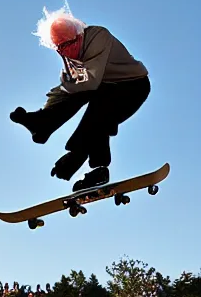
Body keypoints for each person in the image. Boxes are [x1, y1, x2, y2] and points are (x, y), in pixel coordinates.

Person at [10, 14, 150, 191]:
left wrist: (76, 155)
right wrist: (49, 109)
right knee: (80, 92)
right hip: (106, 88)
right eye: (59, 49)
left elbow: (90, 83)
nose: (65, 52)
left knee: (98, 109)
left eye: (68, 46)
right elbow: (70, 89)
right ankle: (42, 124)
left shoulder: (98, 37)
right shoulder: (68, 54)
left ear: (79, 36)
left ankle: (99, 168)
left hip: (134, 87)